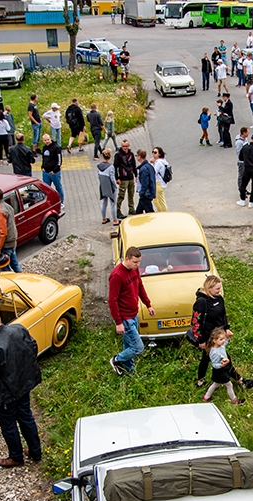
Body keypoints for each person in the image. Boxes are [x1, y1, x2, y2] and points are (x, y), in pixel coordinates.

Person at [0, 306, 42, 468]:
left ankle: (16, 457)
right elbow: (33, 347)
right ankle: (35, 451)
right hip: (23, 385)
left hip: (5, 395)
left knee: (9, 426)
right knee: (26, 418)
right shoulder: (18, 329)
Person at [108, 246, 155, 376]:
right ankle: (116, 360)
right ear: (127, 259)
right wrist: (118, 323)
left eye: (139, 262)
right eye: (135, 262)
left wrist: (148, 304)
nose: (138, 265)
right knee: (138, 347)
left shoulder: (135, 270)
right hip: (125, 318)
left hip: (134, 314)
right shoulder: (117, 276)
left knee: (128, 344)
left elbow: (140, 286)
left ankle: (129, 371)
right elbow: (112, 301)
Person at [202, 326, 253, 404]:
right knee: (229, 385)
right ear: (214, 340)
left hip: (223, 369)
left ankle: (206, 397)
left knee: (216, 384)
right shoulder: (214, 353)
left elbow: (224, 344)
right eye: (221, 339)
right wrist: (221, 365)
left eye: (223, 339)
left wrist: (227, 337)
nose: (223, 341)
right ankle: (235, 401)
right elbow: (215, 364)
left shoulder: (220, 345)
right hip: (220, 371)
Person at [0, 186, 21, 272]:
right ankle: (22, 279)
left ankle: (12, 283)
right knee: (15, 264)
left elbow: (2, 231)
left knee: (4, 268)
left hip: (5, 245)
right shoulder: (8, 206)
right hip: (12, 241)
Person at [114, 139, 138, 218]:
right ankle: (117, 210)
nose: (125, 148)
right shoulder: (118, 155)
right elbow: (115, 167)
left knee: (131, 193)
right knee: (121, 195)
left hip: (130, 177)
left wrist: (136, 175)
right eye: (123, 146)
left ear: (129, 146)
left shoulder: (131, 154)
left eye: (126, 146)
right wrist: (117, 178)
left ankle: (131, 208)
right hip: (123, 178)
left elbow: (134, 165)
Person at [238, 132, 253, 207]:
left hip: (247, 168)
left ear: (251, 138)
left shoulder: (244, 148)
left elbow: (240, 158)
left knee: (243, 184)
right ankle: (251, 201)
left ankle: (242, 200)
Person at [41, 133, 65, 205]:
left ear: (50, 138)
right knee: (46, 189)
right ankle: (48, 202)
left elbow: (59, 160)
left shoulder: (56, 148)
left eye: (48, 139)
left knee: (58, 187)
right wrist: (42, 167)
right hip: (46, 172)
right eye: (45, 140)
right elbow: (44, 158)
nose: (47, 141)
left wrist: (55, 170)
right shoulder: (44, 148)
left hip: (54, 173)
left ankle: (61, 201)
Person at [98, 148, 118, 225]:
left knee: (104, 202)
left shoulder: (98, 166)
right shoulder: (111, 167)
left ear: (103, 156)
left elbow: (99, 176)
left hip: (102, 186)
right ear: (109, 157)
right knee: (113, 203)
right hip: (110, 187)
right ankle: (115, 220)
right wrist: (115, 186)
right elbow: (112, 178)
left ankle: (103, 218)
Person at [135, 149, 156, 214]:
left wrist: (141, 193)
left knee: (150, 213)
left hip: (145, 194)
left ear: (139, 156)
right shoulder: (149, 166)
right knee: (138, 212)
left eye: (136, 155)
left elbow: (145, 183)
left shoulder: (143, 169)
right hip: (149, 192)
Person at [152, 146, 169, 212]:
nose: (153, 154)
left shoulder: (158, 162)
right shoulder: (163, 161)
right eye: (153, 152)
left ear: (159, 154)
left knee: (160, 200)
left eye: (155, 152)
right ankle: (161, 211)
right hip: (162, 183)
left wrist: (151, 164)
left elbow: (154, 172)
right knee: (157, 199)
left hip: (159, 183)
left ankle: (163, 212)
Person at [234, 126, 249, 199]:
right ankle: (241, 190)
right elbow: (239, 152)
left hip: (246, 161)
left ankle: (244, 189)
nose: (248, 133)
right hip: (241, 162)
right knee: (241, 176)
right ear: (244, 133)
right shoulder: (239, 142)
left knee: (245, 176)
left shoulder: (245, 139)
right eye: (247, 132)